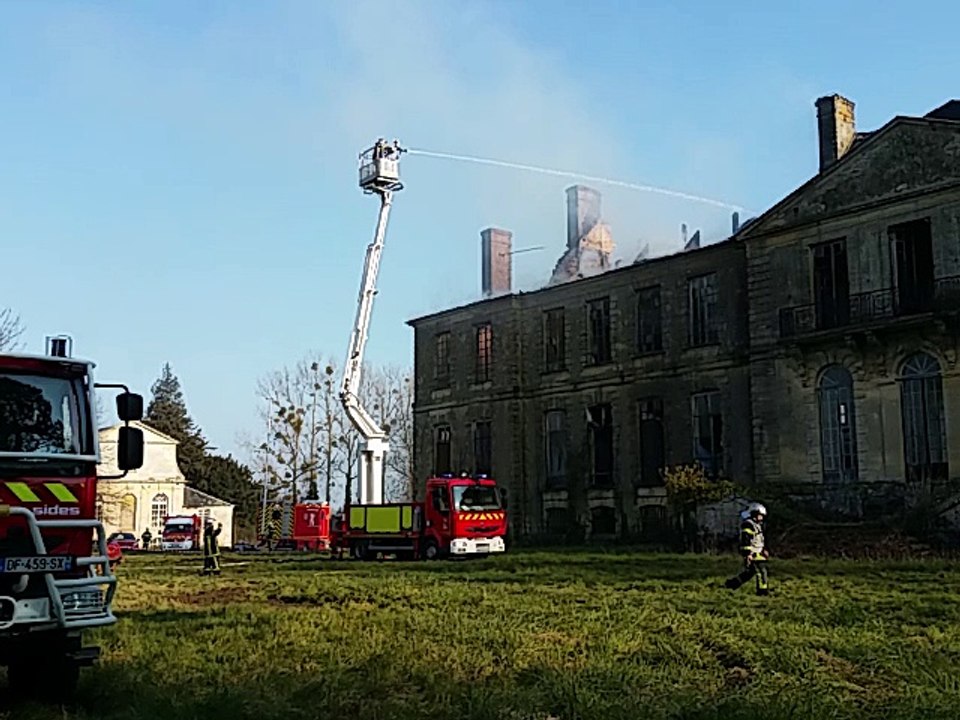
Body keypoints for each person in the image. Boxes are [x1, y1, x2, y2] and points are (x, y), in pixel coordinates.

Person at [725, 502, 770, 596]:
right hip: (752, 553)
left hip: (758, 553)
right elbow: (746, 540)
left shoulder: (757, 525)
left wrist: (763, 549)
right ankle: (762, 592)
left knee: (749, 573)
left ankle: (732, 584)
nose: (761, 518)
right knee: (761, 572)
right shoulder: (748, 525)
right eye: (760, 515)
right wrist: (748, 554)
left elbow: (758, 540)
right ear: (754, 514)